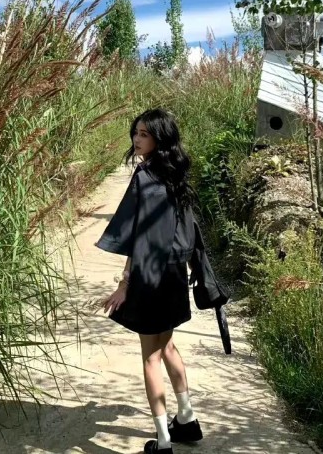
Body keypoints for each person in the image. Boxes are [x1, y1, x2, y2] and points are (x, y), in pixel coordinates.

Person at [95, 108, 203, 453]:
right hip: (174, 274)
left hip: (149, 276)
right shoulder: (176, 175)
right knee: (166, 346)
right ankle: (186, 419)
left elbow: (138, 237)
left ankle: (163, 442)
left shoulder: (144, 176)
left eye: (144, 134)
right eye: (136, 132)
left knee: (150, 357)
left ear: (159, 138)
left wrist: (124, 284)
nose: (136, 138)